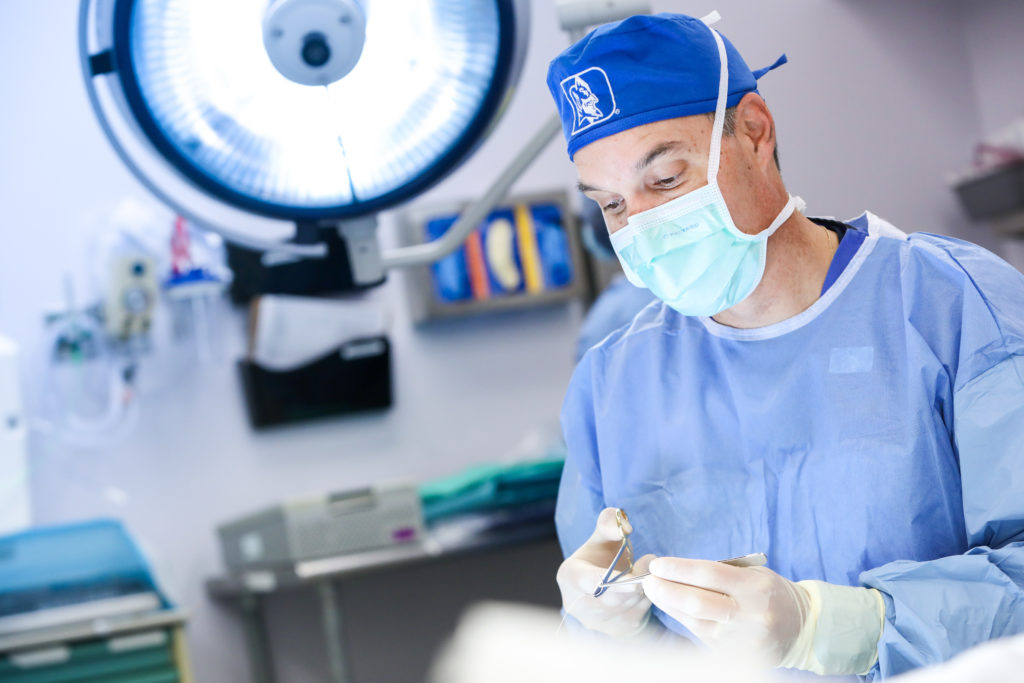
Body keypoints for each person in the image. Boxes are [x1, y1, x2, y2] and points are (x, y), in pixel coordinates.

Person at [547, 11, 1024, 680]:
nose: (643, 228)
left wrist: (837, 626)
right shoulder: (614, 383)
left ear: (754, 130)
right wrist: (606, 626)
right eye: (613, 205)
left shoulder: (950, 305)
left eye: (665, 180)